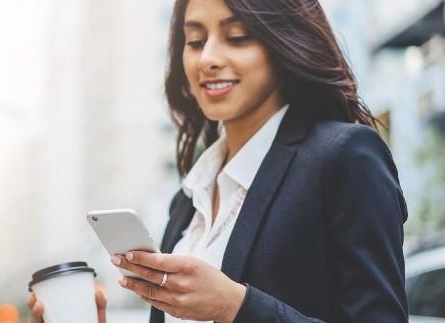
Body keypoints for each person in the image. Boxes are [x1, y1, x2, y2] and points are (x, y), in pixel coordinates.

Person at [28, 0, 408, 322]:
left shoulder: (345, 157)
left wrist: (236, 306)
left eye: (237, 37)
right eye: (195, 41)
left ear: (284, 42)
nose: (208, 58)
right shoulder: (187, 201)